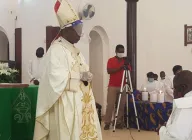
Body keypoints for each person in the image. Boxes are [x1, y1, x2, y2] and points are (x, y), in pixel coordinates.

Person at [33, 0, 102, 139]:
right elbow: (55, 78)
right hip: (65, 102)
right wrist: (79, 76)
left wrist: (87, 75)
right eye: (77, 30)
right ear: (66, 30)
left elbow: (83, 69)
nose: (79, 34)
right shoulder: (56, 50)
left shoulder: (76, 50)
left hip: (82, 101)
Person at [159, 70, 192, 140]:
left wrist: (162, 130)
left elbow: (175, 138)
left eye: (175, 88)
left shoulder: (187, 105)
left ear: (183, 87)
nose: (173, 92)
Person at [104, 44, 131, 130]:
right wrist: (120, 68)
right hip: (112, 86)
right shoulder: (111, 60)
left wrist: (127, 63)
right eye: (119, 51)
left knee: (121, 105)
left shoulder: (125, 61)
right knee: (110, 105)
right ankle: (107, 122)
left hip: (123, 86)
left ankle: (118, 122)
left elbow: (129, 70)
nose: (121, 53)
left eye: (122, 51)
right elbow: (109, 70)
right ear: (116, 51)